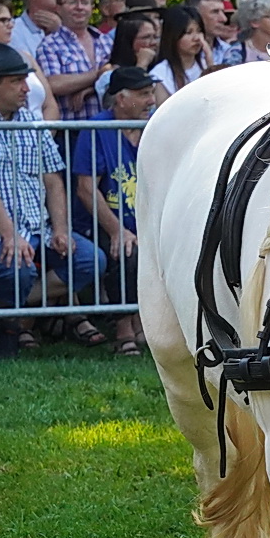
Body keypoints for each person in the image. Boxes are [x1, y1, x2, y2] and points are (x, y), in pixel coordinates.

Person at [0, 44, 101, 360]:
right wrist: (10, 234)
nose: (27, 89)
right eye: (16, 81)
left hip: (36, 227)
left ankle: (1, 309)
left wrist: (60, 229)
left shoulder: (30, 119)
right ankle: (6, 332)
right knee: (18, 266)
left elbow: (53, 180)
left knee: (89, 260)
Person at [71, 65, 153, 353]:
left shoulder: (155, 126)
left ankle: (146, 322)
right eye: (143, 94)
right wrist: (116, 230)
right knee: (126, 249)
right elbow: (85, 188)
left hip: (144, 218)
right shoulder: (96, 129)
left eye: (151, 93)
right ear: (120, 98)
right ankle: (123, 327)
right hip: (99, 221)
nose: (151, 101)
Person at [36, 0, 112, 121]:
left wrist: (88, 90)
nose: (79, 7)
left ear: (92, 7)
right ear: (58, 8)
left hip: (107, 130)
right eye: (72, 2)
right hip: (71, 132)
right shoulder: (49, 45)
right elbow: (53, 84)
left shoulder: (106, 41)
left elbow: (118, 75)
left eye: (84, 2)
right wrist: (99, 74)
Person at [149, 4, 210, 98]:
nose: (196, 38)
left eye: (199, 31)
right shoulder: (161, 74)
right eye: (188, 32)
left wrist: (210, 59)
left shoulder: (206, 64)